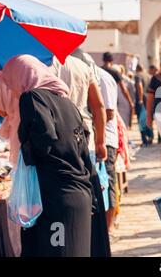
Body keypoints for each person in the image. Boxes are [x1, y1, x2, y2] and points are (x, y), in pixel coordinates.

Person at [2, 55, 95, 257]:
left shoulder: (32, 97)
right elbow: (84, 150)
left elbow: (43, 140)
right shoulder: (66, 102)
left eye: (10, 83)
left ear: (20, 76)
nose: (12, 90)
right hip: (79, 195)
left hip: (53, 199)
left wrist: (25, 151)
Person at [50, 55, 111, 257]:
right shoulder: (82, 66)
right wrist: (101, 141)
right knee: (89, 197)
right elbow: (98, 106)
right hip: (85, 140)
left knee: (63, 200)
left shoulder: (44, 65)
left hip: (57, 143)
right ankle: (90, 244)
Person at [95, 67, 120, 239]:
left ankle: (109, 228)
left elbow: (109, 113)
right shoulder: (93, 75)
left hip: (106, 140)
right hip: (96, 139)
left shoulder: (102, 78)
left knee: (108, 181)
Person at [101, 52, 135, 127]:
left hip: (100, 101)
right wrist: (130, 102)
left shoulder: (98, 70)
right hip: (112, 102)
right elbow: (124, 89)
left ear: (103, 60)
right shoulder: (115, 72)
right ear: (112, 61)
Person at [134, 64, 154, 146]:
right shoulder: (149, 76)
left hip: (142, 101)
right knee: (148, 118)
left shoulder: (138, 76)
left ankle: (144, 139)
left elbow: (139, 86)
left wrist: (140, 99)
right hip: (149, 100)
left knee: (141, 120)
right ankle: (151, 136)